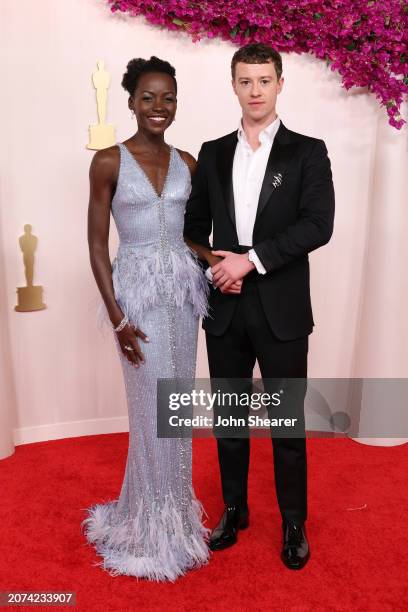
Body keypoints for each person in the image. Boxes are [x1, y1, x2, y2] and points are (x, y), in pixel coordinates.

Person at [184, 43, 335, 570]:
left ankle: (294, 521)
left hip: (282, 308)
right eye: (245, 81)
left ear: (280, 84)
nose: (255, 91)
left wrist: (250, 262)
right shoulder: (213, 151)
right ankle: (234, 509)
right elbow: (191, 231)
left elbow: (319, 225)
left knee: (286, 422)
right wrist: (213, 268)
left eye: (264, 81)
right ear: (233, 85)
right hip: (224, 308)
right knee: (229, 419)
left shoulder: (307, 151)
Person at [82, 56, 211, 581]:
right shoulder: (108, 161)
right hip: (135, 302)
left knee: (175, 410)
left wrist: (219, 259)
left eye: (169, 98)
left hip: (183, 299)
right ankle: (149, 529)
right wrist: (117, 318)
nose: (159, 107)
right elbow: (95, 243)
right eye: (149, 98)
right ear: (131, 102)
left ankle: (174, 522)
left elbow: (187, 234)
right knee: (150, 413)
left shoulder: (188, 160)